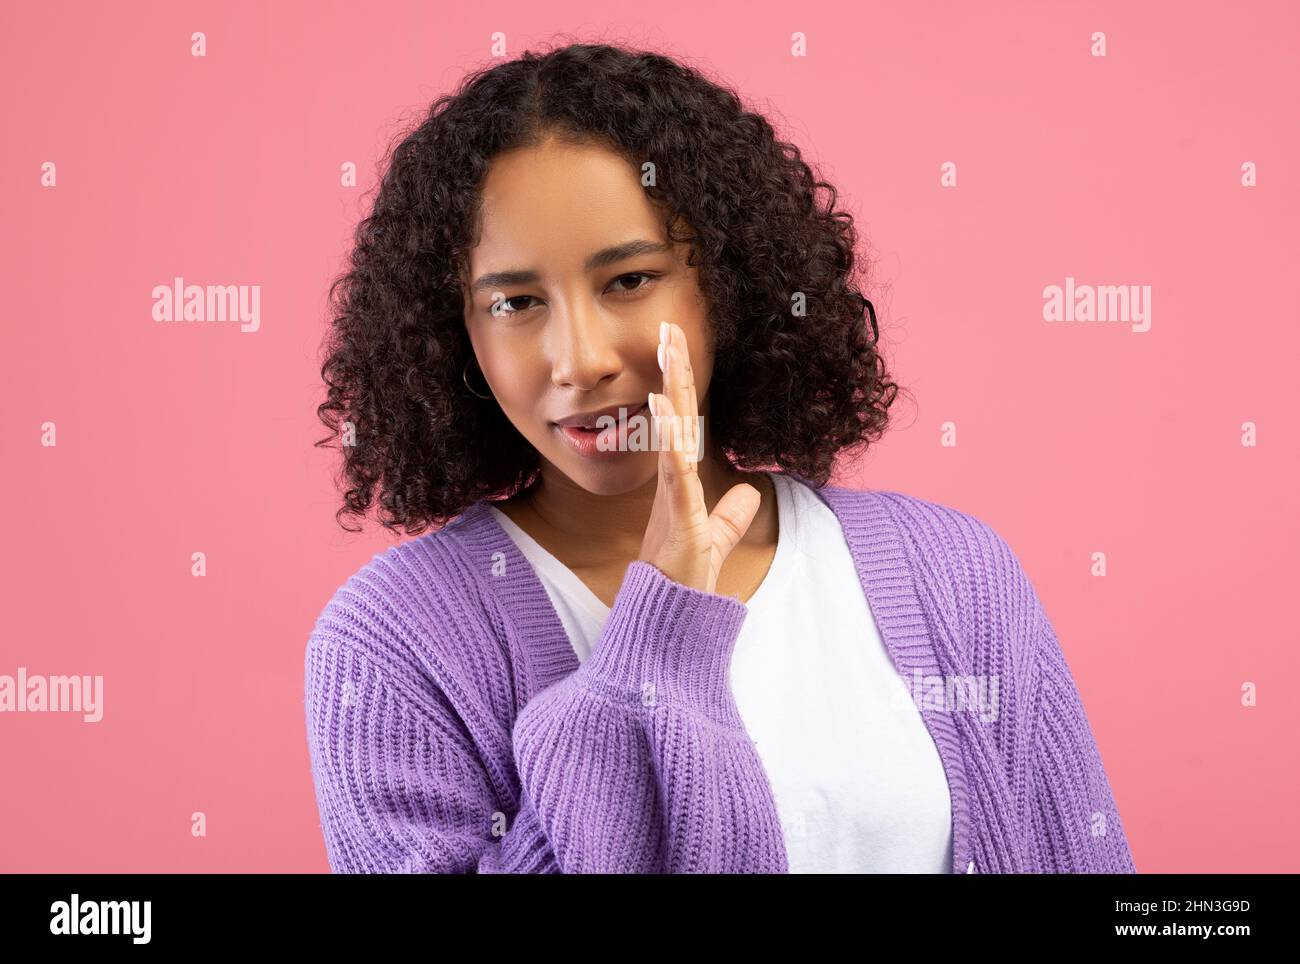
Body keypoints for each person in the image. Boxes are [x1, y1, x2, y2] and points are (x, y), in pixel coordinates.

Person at [305, 41, 1136, 874]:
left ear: (728, 289)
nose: (581, 358)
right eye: (515, 302)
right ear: (459, 336)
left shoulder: (956, 577)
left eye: (629, 280)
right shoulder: (394, 646)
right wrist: (657, 638)